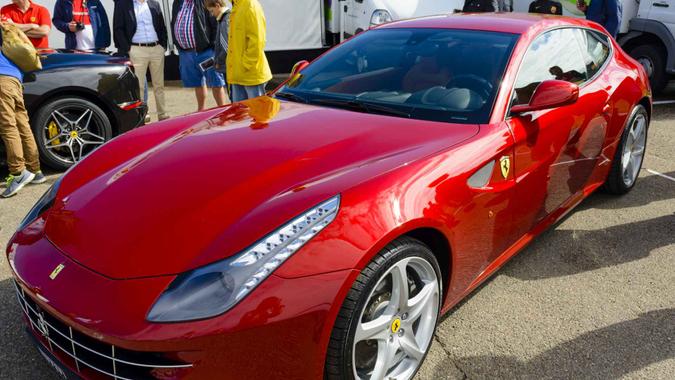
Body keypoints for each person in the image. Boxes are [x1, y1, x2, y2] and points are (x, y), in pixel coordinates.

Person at [0, 25, 44, 198]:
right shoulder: (4, 28)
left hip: (1, 81)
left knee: (8, 127)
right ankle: (35, 170)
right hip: (15, 79)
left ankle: (18, 173)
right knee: (22, 125)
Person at [114, 0, 169, 121]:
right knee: (139, 86)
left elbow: (161, 26)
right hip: (136, 49)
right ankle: (142, 115)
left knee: (159, 84)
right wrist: (128, 49)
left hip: (156, 49)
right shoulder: (123, 4)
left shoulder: (154, 4)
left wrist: (162, 46)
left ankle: (162, 114)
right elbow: (118, 29)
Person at [171, 0, 226, 111]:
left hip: (205, 51)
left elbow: (216, 23)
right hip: (186, 52)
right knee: (197, 83)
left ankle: (222, 110)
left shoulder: (205, 1)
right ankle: (201, 110)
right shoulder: (177, 2)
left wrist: (214, 47)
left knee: (216, 82)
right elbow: (174, 22)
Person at [227, 0, 272, 102]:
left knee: (257, 115)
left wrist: (246, 65)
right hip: (238, 74)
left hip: (251, 76)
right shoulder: (238, 5)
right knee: (240, 116)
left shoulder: (250, 5)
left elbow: (257, 41)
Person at [205, 0, 229, 80]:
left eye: (212, 11)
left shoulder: (225, 19)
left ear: (217, 5)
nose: (212, 14)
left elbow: (226, 46)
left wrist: (218, 61)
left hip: (228, 64)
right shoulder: (223, 18)